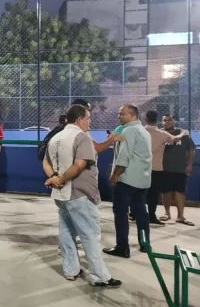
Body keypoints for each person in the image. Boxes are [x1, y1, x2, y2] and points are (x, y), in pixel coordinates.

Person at [44, 104, 122, 287]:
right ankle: (100, 276)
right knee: (90, 234)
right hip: (79, 193)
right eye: (88, 119)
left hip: (60, 194)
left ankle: (70, 270)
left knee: (66, 231)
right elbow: (79, 165)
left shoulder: (56, 137)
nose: (89, 123)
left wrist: (54, 179)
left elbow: (46, 162)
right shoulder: (81, 137)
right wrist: (62, 178)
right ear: (79, 119)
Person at [104, 104, 152, 259]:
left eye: (122, 114)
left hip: (126, 180)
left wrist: (115, 175)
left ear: (132, 115)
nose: (119, 117)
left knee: (121, 212)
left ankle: (122, 247)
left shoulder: (129, 130)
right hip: (142, 179)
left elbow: (124, 157)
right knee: (140, 212)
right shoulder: (144, 131)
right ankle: (145, 244)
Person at [143, 110, 188, 225]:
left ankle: (134, 213)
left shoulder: (140, 131)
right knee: (153, 193)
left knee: (138, 191)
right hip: (156, 168)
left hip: (139, 167)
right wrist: (183, 133)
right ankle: (152, 216)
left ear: (145, 119)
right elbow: (175, 139)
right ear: (157, 120)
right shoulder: (162, 134)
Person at [160, 114, 196, 226]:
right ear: (162, 122)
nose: (167, 122)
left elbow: (191, 150)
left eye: (170, 120)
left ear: (174, 121)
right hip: (164, 168)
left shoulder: (184, 134)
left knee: (180, 192)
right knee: (166, 191)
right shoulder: (160, 133)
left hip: (180, 168)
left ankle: (180, 216)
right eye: (165, 120)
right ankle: (167, 213)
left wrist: (189, 165)